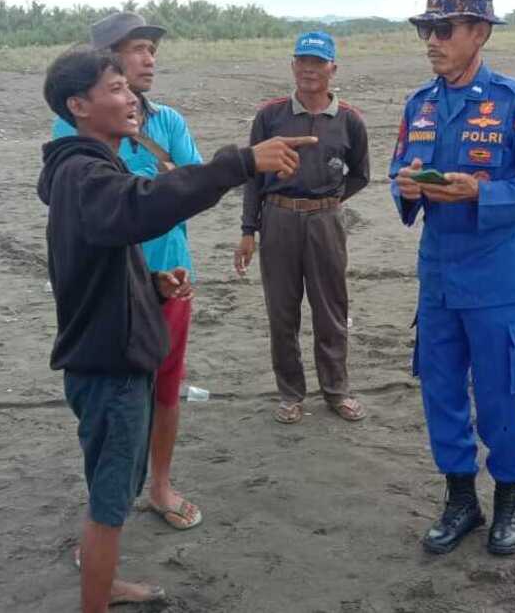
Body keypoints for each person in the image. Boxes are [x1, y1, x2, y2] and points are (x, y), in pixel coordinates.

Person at [39, 48, 313, 611]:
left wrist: (154, 283)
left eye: (128, 87)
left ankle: (105, 579)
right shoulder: (84, 173)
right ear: (78, 106)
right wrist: (240, 163)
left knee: (117, 487)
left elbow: (104, 254)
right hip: (108, 365)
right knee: (111, 500)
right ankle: (96, 601)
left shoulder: (89, 170)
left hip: (112, 354)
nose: (130, 98)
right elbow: (145, 204)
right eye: (115, 87)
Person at [389, 0, 515, 556]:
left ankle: (509, 499)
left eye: (444, 30)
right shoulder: (420, 104)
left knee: (501, 397)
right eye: (426, 30)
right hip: (438, 281)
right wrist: (410, 187)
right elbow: (401, 171)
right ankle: (460, 500)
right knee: (441, 394)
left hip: (498, 284)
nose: (432, 42)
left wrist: (479, 195)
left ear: (480, 33)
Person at [53, 12, 205, 531]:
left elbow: (192, 187)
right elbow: (78, 204)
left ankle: (159, 484)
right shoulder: (74, 128)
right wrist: (159, 187)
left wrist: (161, 189)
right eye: (137, 49)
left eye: (151, 49)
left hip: (171, 273)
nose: (149, 59)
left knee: (166, 388)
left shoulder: (168, 121)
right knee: (113, 407)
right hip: (114, 290)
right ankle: (106, 514)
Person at [234, 31, 370, 424]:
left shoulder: (349, 120)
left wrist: (329, 201)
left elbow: (360, 174)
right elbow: (252, 177)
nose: (309, 70)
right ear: (293, 65)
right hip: (277, 220)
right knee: (282, 310)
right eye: (302, 61)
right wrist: (248, 230)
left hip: (326, 222)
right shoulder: (270, 116)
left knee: (331, 308)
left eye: (318, 62)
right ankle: (290, 394)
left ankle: (336, 390)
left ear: (333, 68)